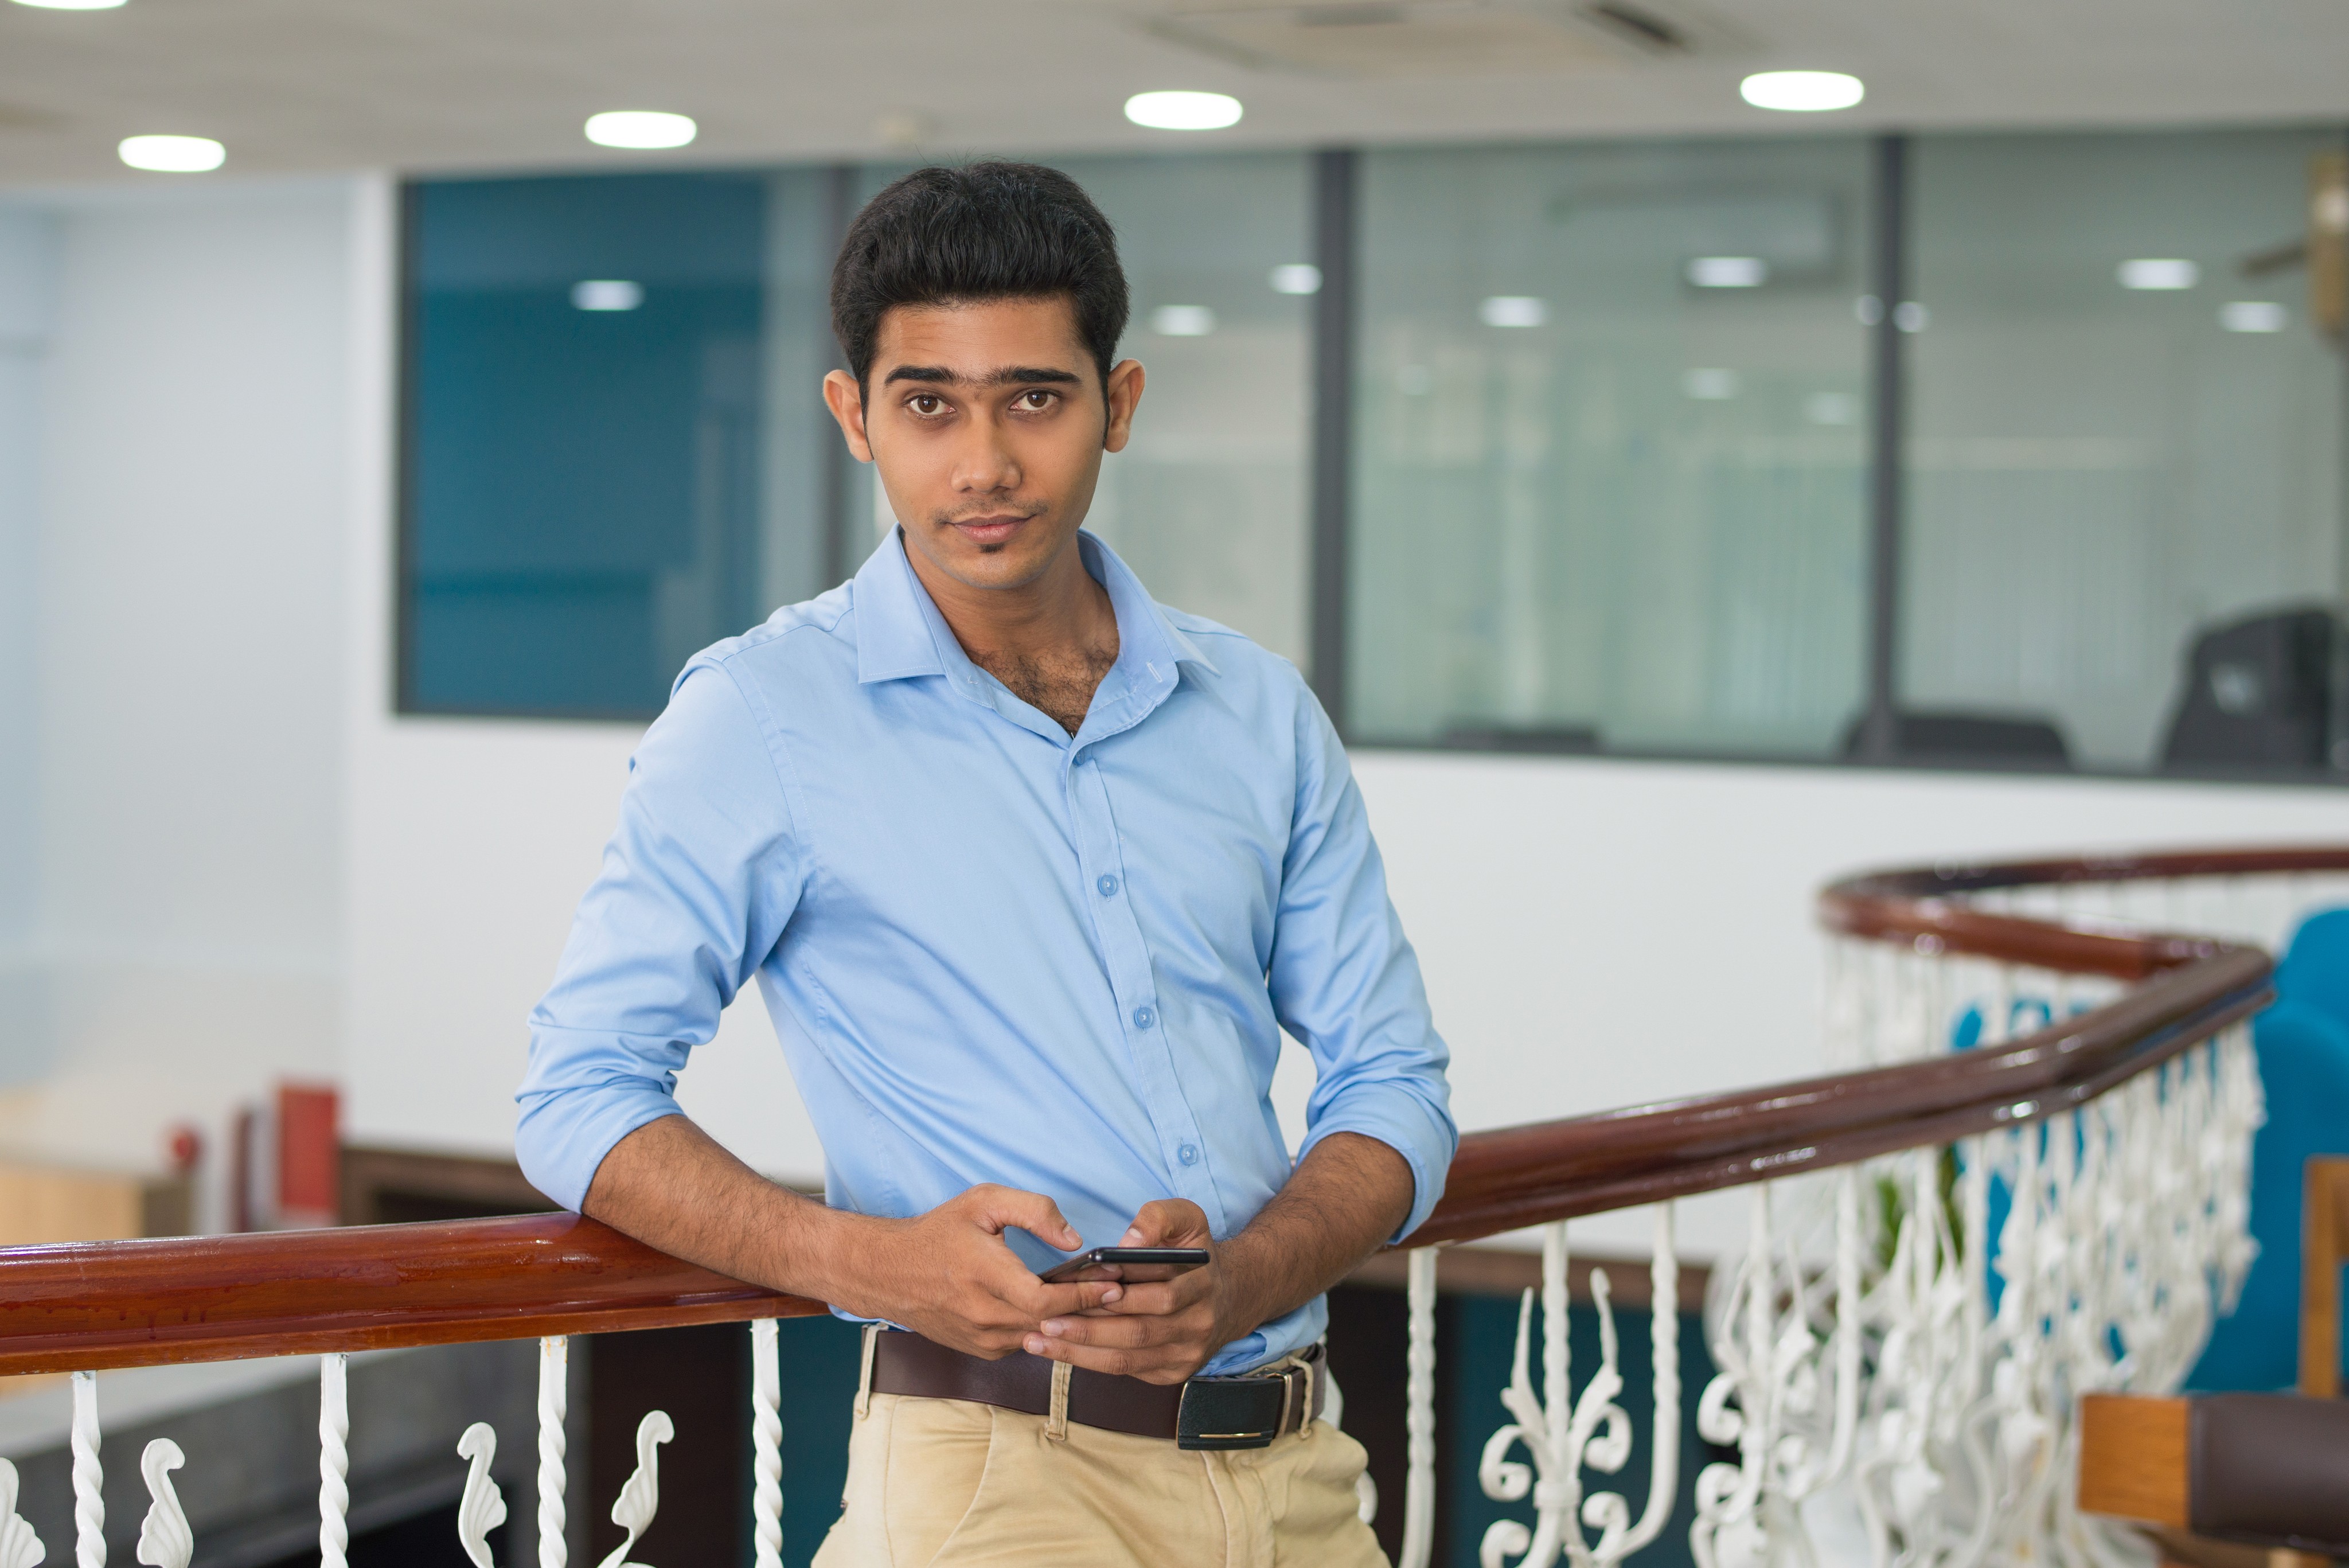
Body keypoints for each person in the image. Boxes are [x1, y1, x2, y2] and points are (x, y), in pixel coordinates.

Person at [515, 161, 1456, 1566]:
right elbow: (576, 1095)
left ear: (1116, 405)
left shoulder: (1257, 711)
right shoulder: (761, 716)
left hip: (1299, 1477)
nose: (983, 465)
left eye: (1033, 397)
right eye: (927, 404)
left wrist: (1246, 1272)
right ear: (854, 417)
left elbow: (1394, 1086)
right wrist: (868, 1260)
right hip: (996, 1483)